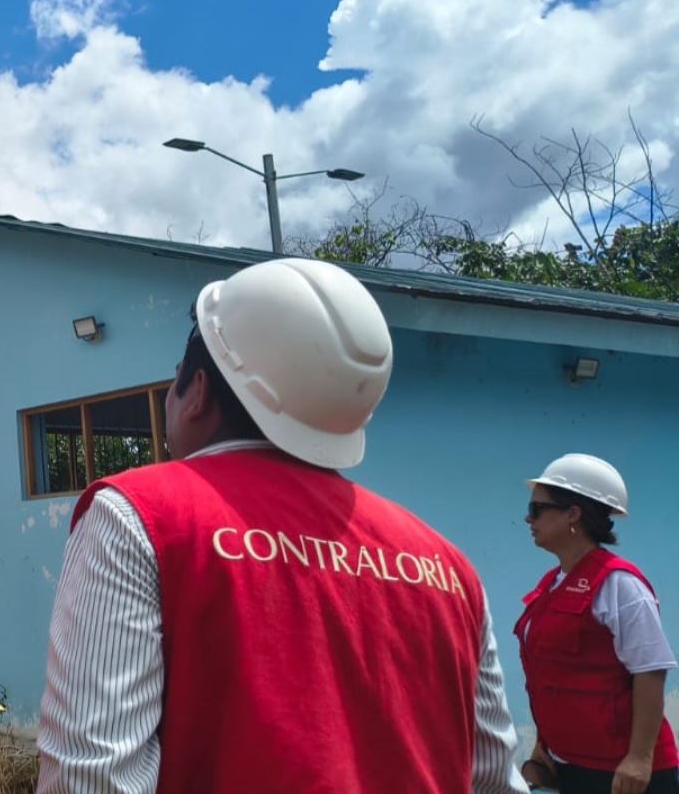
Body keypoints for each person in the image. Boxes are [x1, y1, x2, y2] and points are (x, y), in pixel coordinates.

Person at [36, 256, 529, 794]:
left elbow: (91, 779)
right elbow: (495, 782)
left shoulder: (136, 517)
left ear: (197, 391)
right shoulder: (449, 568)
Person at [516, 453, 678, 794]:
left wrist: (639, 758)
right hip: (569, 765)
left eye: (536, 509)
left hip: (623, 774)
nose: (528, 518)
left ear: (573, 514)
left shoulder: (620, 584)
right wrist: (544, 745)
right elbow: (553, 675)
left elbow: (650, 670)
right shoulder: (552, 583)